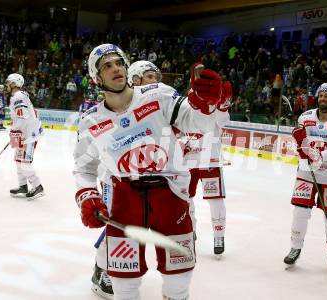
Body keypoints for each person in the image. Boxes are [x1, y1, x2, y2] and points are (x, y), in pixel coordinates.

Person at [73, 44, 230, 300]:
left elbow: (198, 123)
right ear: (97, 78)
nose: (115, 68)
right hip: (124, 199)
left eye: (118, 63)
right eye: (107, 66)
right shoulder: (90, 120)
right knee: (124, 283)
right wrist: (87, 195)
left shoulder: (158, 94)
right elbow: (84, 167)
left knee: (178, 277)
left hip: (170, 193)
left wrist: (206, 104)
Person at [90, 60, 164, 299]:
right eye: (150, 77)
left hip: (152, 180)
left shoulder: (155, 99)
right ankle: (102, 270)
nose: (155, 81)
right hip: (118, 180)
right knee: (118, 227)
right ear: (136, 79)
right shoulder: (119, 104)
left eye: (156, 77)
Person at [284, 83, 327, 270]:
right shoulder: (305, 117)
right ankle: (295, 248)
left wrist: (317, 156)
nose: (323, 98)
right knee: (300, 211)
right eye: (321, 95)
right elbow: (300, 145)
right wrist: (301, 147)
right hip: (306, 172)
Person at [181, 63, 231, 258]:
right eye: (196, 72)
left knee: (215, 199)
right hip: (187, 157)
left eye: (203, 71)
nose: (200, 74)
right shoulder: (185, 99)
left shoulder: (216, 94)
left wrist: (223, 105)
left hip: (210, 157)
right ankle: (189, 231)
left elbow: (222, 122)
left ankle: (219, 235)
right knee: (185, 198)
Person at [5, 73, 44, 200]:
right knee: (18, 160)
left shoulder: (18, 97)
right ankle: (23, 186)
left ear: (14, 84)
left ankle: (38, 187)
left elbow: (23, 118)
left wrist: (14, 130)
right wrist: (16, 131)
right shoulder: (18, 96)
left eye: (8, 82)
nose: (6, 85)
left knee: (24, 163)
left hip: (29, 135)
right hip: (23, 133)